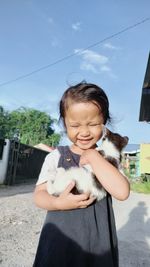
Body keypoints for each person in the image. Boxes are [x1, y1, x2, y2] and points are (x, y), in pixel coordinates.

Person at [33, 82, 130, 267]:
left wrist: (95, 158)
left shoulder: (107, 159)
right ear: (64, 123)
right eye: (75, 125)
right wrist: (56, 203)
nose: (84, 132)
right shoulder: (56, 156)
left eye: (93, 124)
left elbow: (122, 192)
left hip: (97, 246)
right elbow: (39, 195)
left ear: (104, 123)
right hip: (59, 244)